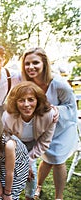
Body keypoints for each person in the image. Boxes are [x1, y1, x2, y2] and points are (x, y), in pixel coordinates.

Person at [21, 47, 79, 200]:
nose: (31, 67)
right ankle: (38, 186)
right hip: (44, 129)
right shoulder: (28, 83)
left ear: (44, 63)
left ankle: (58, 197)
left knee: (58, 160)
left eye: (35, 63)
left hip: (63, 128)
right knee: (47, 159)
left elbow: (72, 108)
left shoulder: (59, 84)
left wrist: (55, 110)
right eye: (27, 64)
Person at [2, 81, 57, 200]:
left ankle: (30, 196)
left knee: (31, 172)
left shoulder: (49, 115)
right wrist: (19, 162)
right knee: (10, 170)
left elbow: (44, 143)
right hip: (13, 144)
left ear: (37, 100)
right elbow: (5, 139)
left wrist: (28, 163)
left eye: (31, 99)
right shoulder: (8, 116)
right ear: (15, 103)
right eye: (21, 100)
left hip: (33, 144)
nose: (26, 104)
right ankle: (7, 193)